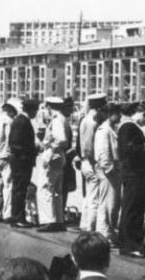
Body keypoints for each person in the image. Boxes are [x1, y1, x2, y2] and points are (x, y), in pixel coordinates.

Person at [118, 101, 145, 256]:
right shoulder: (128, 127)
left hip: (135, 173)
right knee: (132, 208)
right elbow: (129, 149)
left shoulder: (129, 126)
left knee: (135, 207)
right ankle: (130, 244)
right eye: (143, 114)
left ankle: (131, 242)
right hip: (133, 173)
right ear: (136, 113)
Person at [37, 97, 70, 232]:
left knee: (45, 188)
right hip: (60, 157)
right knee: (57, 190)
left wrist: (49, 147)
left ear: (49, 107)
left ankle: (48, 220)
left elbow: (61, 139)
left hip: (53, 156)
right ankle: (58, 219)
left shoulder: (56, 120)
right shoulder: (63, 119)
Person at [94, 102, 122, 247]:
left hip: (112, 173)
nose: (120, 116)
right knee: (107, 205)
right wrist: (110, 169)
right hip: (107, 173)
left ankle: (108, 233)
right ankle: (104, 234)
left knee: (112, 204)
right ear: (111, 114)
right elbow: (103, 153)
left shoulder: (111, 129)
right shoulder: (104, 130)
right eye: (118, 113)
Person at [8, 99, 39, 227]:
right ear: (31, 110)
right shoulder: (22, 121)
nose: (36, 113)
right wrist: (32, 150)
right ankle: (18, 218)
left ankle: (16, 215)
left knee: (19, 189)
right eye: (36, 110)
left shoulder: (21, 120)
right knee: (20, 189)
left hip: (21, 161)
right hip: (21, 161)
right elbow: (15, 143)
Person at [78, 94, 106, 232]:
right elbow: (88, 146)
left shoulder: (86, 119)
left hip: (86, 162)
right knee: (95, 198)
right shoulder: (92, 121)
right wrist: (95, 161)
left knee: (90, 195)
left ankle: (85, 224)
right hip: (91, 162)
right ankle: (91, 227)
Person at [0, 100, 17, 222]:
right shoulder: (9, 122)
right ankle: (7, 214)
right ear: (11, 110)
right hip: (5, 155)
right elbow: (9, 139)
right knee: (8, 185)